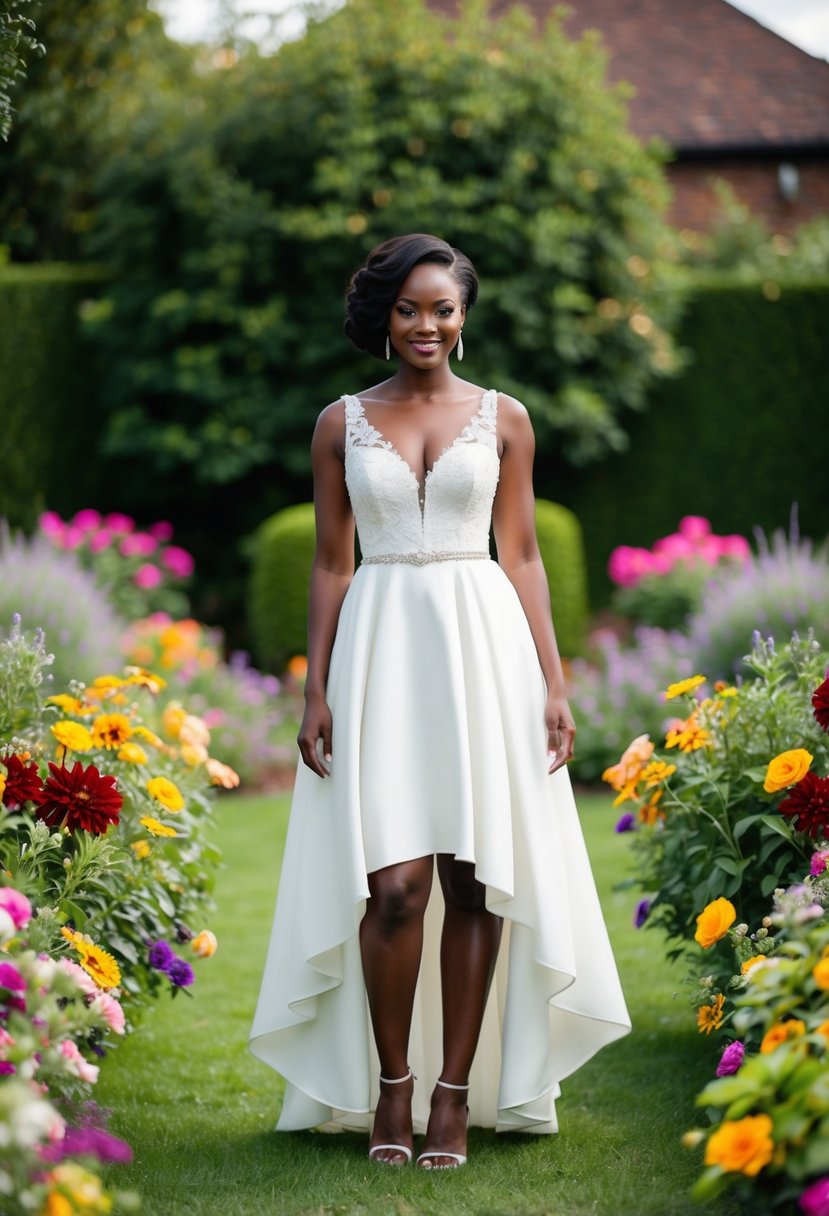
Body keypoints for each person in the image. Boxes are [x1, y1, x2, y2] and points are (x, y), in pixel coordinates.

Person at [250, 233, 630, 1170]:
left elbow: (525, 554)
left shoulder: (505, 418)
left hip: (482, 647)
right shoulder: (340, 423)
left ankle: (454, 1097)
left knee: (473, 878)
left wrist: (551, 680)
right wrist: (315, 691)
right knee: (393, 888)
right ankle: (391, 1086)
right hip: (380, 651)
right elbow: (332, 561)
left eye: (444, 308)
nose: (427, 324)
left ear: (464, 317)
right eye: (410, 308)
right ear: (385, 315)